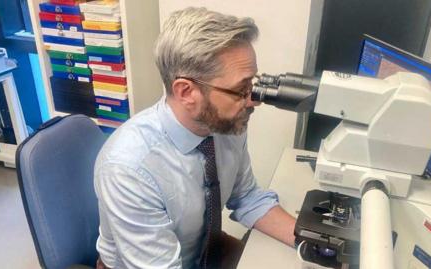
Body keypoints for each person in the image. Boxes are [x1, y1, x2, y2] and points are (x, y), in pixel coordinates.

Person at [94, 7, 296, 269]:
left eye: (253, 85)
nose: (252, 101)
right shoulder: (129, 168)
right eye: (240, 90)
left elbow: (247, 197)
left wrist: (314, 241)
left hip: (205, 250)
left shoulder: (225, 125)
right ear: (187, 92)